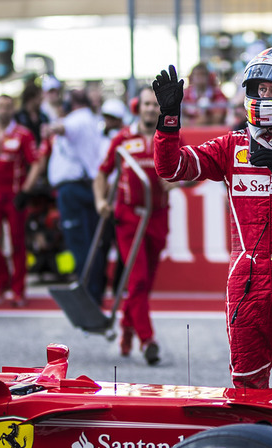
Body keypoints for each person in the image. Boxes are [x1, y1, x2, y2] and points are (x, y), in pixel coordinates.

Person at [152, 46, 272, 400]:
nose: (265, 96)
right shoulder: (232, 145)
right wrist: (169, 119)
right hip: (246, 278)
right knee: (246, 383)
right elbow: (173, 167)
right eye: (261, 88)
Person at [93, 87, 170, 365]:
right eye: (147, 104)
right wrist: (102, 200)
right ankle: (148, 340)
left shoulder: (170, 137)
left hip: (158, 217)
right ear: (138, 106)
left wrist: (177, 180)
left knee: (145, 284)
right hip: (128, 218)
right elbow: (102, 173)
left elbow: (188, 171)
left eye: (156, 105)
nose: (151, 109)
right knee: (136, 280)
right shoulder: (123, 138)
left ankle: (126, 327)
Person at [46, 89, 107, 304]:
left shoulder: (77, 120)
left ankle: (88, 295)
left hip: (73, 188)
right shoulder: (90, 120)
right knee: (91, 243)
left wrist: (51, 127)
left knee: (80, 242)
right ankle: (93, 292)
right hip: (86, 186)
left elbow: (63, 128)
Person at [0, 94, 40, 307]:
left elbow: (36, 163)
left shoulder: (23, 134)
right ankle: (1, 283)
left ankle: (18, 289)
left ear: (13, 109)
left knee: (17, 243)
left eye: (8, 106)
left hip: (14, 195)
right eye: (0, 106)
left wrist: (26, 191)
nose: (4, 110)